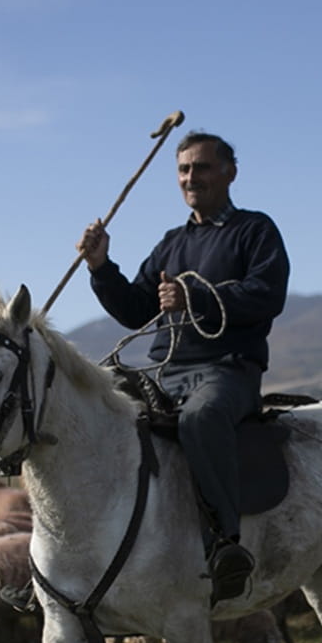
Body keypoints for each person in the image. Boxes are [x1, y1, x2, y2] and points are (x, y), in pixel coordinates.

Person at [80, 131, 290, 603]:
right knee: (92, 408)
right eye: (183, 170)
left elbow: (267, 294)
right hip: (167, 372)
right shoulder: (172, 243)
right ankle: (85, 553)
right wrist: (100, 267)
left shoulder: (256, 231)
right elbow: (137, 310)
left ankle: (224, 543)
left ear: (229, 172)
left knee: (202, 417)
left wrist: (193, 295)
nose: (191, 178)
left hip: (228, 369)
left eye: (201, 167)